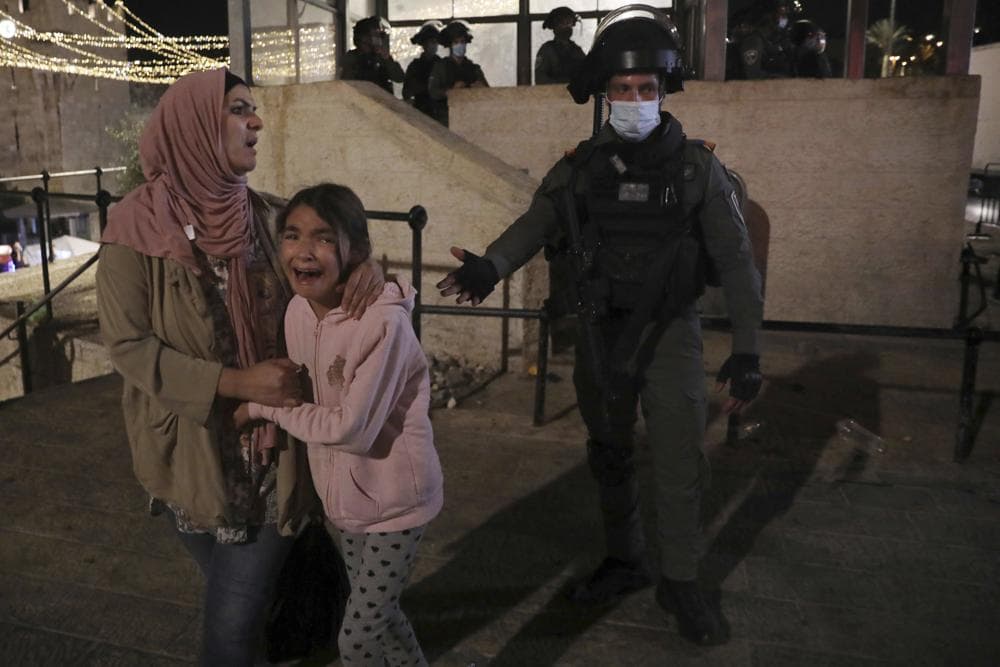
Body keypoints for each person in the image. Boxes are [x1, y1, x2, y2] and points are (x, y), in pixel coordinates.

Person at [437, 5, 763, 647]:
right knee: (609, 455)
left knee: (677, 461)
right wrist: (490, 267)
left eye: (647, 89)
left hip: (670, 333)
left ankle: (681, 579)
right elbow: (537, 222)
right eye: (622, 89)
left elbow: (737, 263)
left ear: (664, 92)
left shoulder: (700, 171)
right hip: (599, 333)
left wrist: (749, 350)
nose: (635, 99)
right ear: (604, 95)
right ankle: (625, 558)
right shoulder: (582, 167)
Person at [95, 68, 385, 665]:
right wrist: (234, 383)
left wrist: (367, 270)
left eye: (252, 109)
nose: (255, 121)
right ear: (193, 127)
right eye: (237, 110)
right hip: (191, 457)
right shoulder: (134, 231)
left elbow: (329, 253)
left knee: (229, 634)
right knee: (252, 608)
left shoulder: (268, 220)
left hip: (272, 463)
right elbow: (128, 345)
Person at [236, 183, 443, 667]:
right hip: (344, 506)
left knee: (356, 640)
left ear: (357, 251)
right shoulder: (296, 312)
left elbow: (353, 429)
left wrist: (262, 407)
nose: (304, 250)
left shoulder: (382, 324)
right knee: (384, 618)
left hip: (397, 506)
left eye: (324, 238)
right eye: (291, 234)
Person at [428, 20, 488, 127]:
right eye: (456, 42)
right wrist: (451, 91)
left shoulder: (473, 68)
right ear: (450, 45)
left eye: (462, 42)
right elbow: (433, 92)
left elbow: (489, 93)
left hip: (471, 118)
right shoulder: (441, 67)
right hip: (446, 119)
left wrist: (481, 89)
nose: (460, 45)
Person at [340, 16, 405, 95]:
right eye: (375, 35)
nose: (378, 39)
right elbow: (347, 83)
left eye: (379, 36)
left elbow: (399, 78)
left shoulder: (380, 56)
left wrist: (387, 59)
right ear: (364, 37)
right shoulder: (352, 57)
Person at [735, 0, 796, 79]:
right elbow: (753, 75)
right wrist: (782, 80)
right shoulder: (753, 41)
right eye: (781, 15)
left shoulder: (767, 42)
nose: (783, 19)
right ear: (768, 16)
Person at [403, 20, 444, 119]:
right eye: (431, 42)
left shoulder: (443, 65)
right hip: (420, 112)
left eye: (436, 42)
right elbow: (407, 92)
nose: (434, 46)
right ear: (424, 44)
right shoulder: (415, 66)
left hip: (440, 113)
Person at [535, 6, 586, 85]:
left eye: (569, 23)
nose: (567, 27)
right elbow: (540, 79)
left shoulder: (577, 50)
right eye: (563, 23)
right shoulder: (546, 50)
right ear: (555, 26)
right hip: (553, 95)